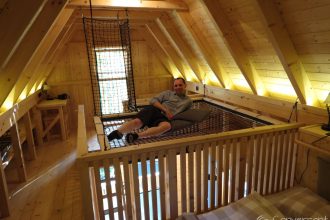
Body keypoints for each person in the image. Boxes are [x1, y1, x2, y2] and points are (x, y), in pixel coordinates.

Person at [107, 77, 192, 143]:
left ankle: (136, 136)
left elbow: (186, 113)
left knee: (167, 126)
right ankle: (118, 133)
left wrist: (174, 117)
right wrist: (165, 110)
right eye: (176, 85)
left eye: (180, 85)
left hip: (164, 118)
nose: (178, 87)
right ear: (173, 87)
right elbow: (153, 100)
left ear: (185, 86)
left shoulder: (188, 101)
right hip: (155, 110)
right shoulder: (168, 93)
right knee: (138, 122)